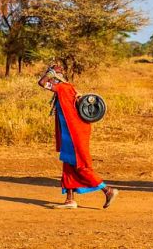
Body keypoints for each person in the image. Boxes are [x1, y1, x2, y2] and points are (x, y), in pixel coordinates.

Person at [38, 64, 119, 209]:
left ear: (56, 76)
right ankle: (70, 200)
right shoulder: (68, 88)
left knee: (82, 166)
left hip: (74, 134)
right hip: (69, 133)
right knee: (68, 166)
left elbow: (42, 83)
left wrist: (49, 74)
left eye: (53, 75)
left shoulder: (63, 88)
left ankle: (108, 190)